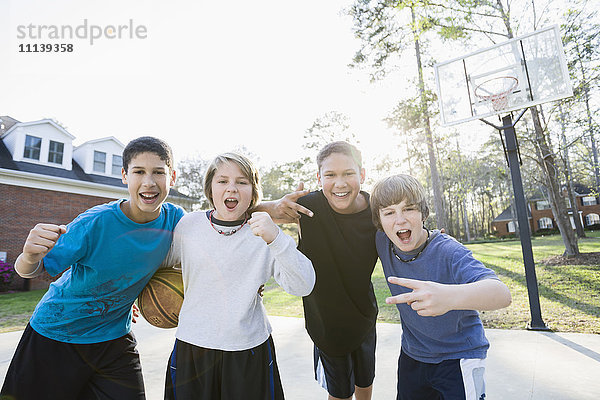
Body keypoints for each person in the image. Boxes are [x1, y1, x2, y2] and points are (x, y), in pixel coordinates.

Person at [1, 136, 185, 400]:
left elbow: (214, 229)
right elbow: (31, 270)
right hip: (56, 335)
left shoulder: (176, 220)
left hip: (113, 341)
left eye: (158, 172)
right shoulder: (95, 223)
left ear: (173, 177)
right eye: (139, 172)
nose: (149, 182)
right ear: (124, 176)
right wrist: (29, 253)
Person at [163, 152, 315, 400]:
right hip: (192, 347)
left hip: (249, 350)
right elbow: (160, 265)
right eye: (222, 181)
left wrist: (276, 238)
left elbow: (304, 285)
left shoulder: (266, 233)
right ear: (210, 188)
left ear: (253, 191)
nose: (231, 188)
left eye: (242, 182)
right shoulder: (188, 226)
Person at [370, 174, 512, 400]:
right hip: (413, 356)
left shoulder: (448, 251)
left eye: (409, 209)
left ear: (424, 213)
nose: (400, 220)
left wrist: (448, 297)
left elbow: (501, 294)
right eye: (389, 212)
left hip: (458, 356)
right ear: (379, 221)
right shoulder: (382, 240)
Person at [261, 141, 378, 400]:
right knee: (340, 393)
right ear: (319, 177)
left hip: (364, 315)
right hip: (327, 324)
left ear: (362, 174)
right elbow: (249, 211)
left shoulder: (376, 210)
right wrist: (276, 203)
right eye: (330, 175)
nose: (340, 183)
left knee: (365, 383)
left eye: (348, 173)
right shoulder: (307, 206)